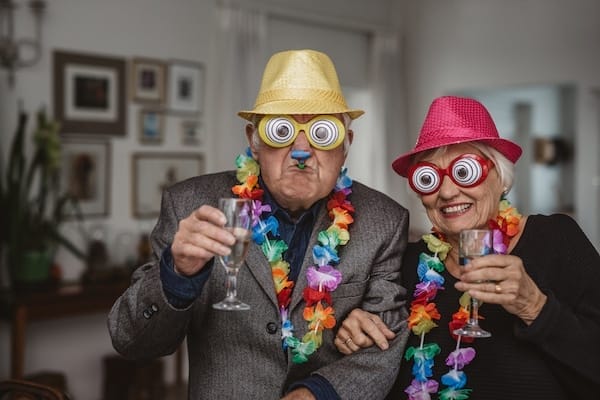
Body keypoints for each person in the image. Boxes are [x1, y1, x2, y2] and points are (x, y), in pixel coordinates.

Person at [108, 49, 410, 400]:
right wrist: (178, 275)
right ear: (254, 140)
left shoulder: (384, 220)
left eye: (321, 132)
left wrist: (317, 394)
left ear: (346, 145)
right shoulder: (191, 205)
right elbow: (131, 342)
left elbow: (386, 342)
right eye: (281, 130)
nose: (301, 151)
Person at [335, 95, 600, 399]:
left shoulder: (555, 240)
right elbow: (384, 361)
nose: (447, 191)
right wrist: (353, 328)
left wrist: (535, 307)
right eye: (429, 179)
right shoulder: (408, 263)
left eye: (465, 171)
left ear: (501, 178)